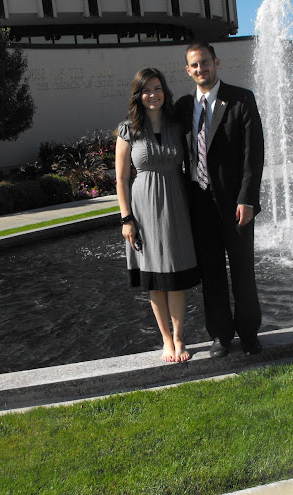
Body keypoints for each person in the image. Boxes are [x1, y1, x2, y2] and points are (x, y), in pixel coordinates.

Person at [175, 41, 265, 358]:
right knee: (212, 274)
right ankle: (221, 337)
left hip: (236, 205)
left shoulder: (241, 100)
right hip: (200, 206)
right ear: (188, 70)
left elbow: (253, 155)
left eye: (205, 63)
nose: (201, 69)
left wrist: (248, 199)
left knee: (243, 271)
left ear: (217, 62)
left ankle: (250, 334)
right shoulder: (185, 108)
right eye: (195, 65)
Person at [115, 68, 200, 363]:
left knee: (175, 275)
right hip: (143, 208)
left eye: (158, 87)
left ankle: (179, 338)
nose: (153, 94)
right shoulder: (128, 130)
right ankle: (165, 340)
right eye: (147, 90)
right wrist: (127, 219)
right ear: (138, 95)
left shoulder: (177, 124)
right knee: (154, 278)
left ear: (165, 91)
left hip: (176, 204)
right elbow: (122, 179)